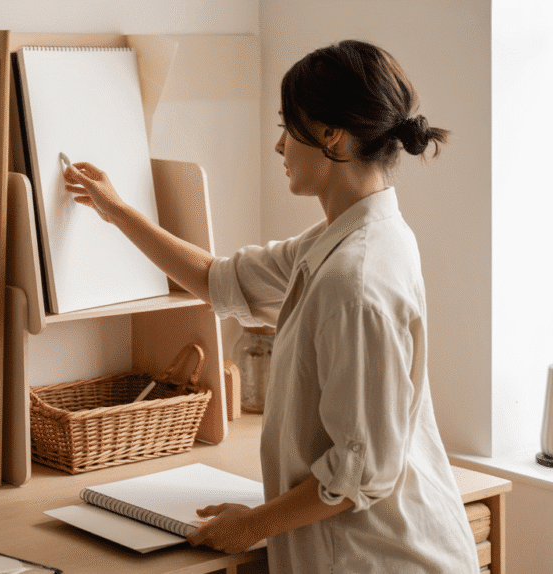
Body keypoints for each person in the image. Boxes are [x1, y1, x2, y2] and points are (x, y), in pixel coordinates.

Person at [63, 40, 478, 573]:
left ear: (330, 134)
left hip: (384, 557)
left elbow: (360, 471)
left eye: (288, 127)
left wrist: (251, 525)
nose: (280, 146)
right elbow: (218, 280)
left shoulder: (354, 282)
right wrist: (118, 211)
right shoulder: (349, 240)